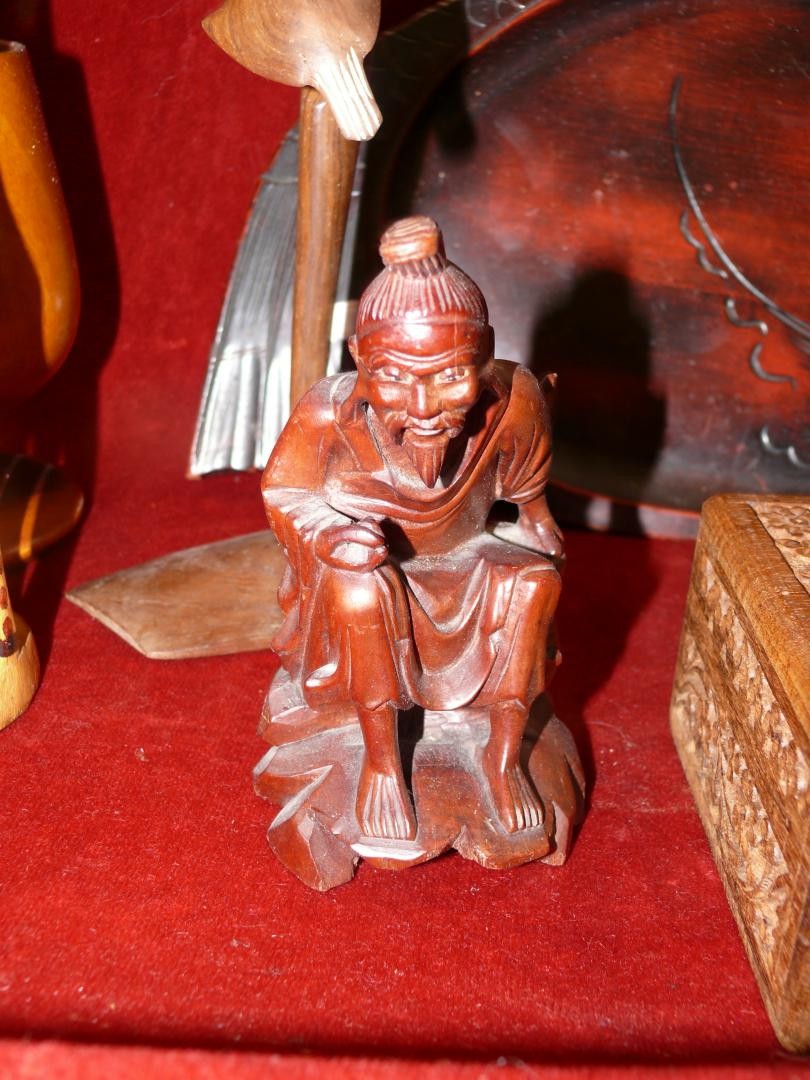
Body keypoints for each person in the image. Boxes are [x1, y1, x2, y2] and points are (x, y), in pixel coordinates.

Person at [262, 216, 563, 843]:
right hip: (370, 571)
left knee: (535, 584)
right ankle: (379, 761)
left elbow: (527, 485)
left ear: (484, 357)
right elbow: (286, 491)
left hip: (467, 554)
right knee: (359, 590)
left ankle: (503, 757)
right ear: (359, 359)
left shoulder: (514, 399)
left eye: (451, 376)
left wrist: (538, 527)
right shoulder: (327, 412)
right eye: (395, 377)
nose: (424, 409)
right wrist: (329, 536)